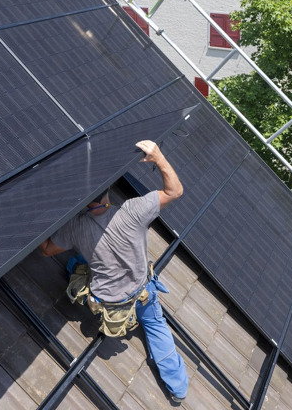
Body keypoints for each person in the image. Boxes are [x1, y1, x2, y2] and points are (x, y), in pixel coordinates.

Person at [38, 140, 188, 404]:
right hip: (141, 293)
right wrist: (158, 157)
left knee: (78, 262)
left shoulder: (75, 227)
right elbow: (175, 191)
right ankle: (177, 389)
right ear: (108, 187)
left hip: (110, 305)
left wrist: (42, 217)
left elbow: (47, 250)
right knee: (155, 326)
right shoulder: (133, 211)